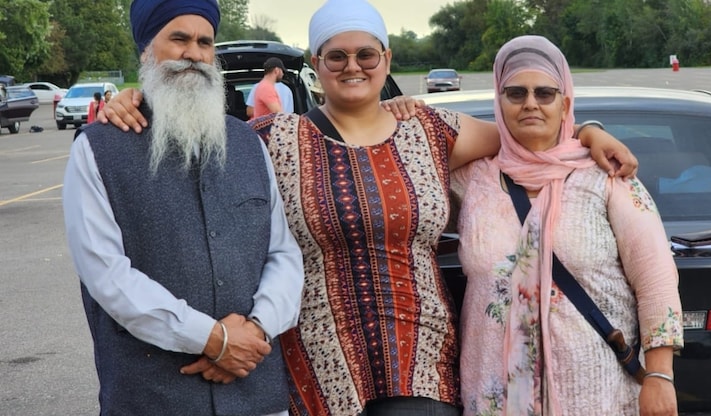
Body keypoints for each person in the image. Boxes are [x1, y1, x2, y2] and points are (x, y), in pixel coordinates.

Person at [99, 1, 638, 414]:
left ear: (386, 60)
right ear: (316, 64)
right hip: (313, 359)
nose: (352, 66)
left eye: (366, 54)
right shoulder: (270, 138)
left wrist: (589, 130)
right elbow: (186, 132)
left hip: (422, 356)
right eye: (336, 55)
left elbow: (529, 133)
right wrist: (134, 98)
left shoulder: (431, 130)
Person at [62, 1, 304, 415]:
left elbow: (282, 254)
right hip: (151, 398)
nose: (193, 53)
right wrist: (212, 339)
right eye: (179, 39)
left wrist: (256, 329)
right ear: (146, 50)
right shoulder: (98, 149)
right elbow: (106, 273)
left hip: (256, 395)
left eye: (205, 42)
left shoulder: (247, 144)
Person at [452, 35, 683, 415]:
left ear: (565, 103)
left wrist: (660, 375)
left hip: (595, 392)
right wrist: (400, 106)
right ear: (499, 100)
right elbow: (406, 154)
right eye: (515, 93)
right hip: (496, 397)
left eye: (545, 93)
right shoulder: (472, 180)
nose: (530, 103)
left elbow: (655, 277)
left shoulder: (607, 176)